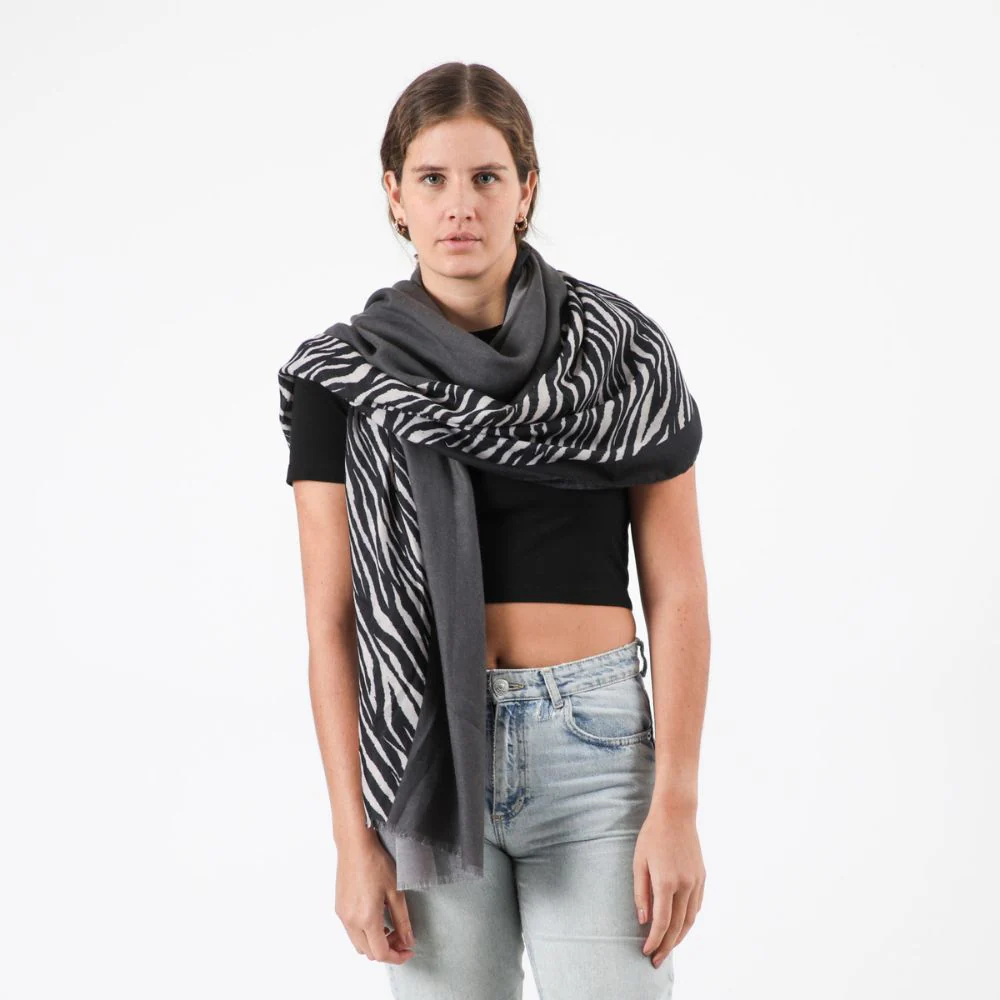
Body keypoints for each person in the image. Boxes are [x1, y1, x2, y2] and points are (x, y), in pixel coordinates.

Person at [279, 62, 710, 1000]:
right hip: (425, 753)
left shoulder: (621, 358)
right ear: (395, 195)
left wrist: (675, 802)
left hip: (596, 750)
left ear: (527, 189)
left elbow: (678, 592)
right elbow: (332, 623)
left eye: (486, 176)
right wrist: (352, 840)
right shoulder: (342, 380)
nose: (460, 205)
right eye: (432, 178)